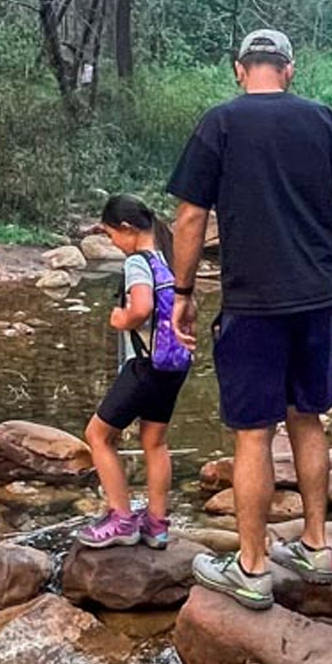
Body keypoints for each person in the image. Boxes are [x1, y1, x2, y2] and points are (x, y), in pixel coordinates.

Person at [169, 27, 332, 609]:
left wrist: (181, 292)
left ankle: (253, 566)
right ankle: (315, 546)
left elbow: (189, 218)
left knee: (254, 433)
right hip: (314, 297)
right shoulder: (322, 119)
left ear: (240, 69)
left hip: (253, 300)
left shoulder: (221, 123)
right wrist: (323, 232)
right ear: (289, 69)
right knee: (307, 418)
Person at [76, 195, 190, 550]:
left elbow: (141, 307)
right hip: (173, 364)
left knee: (97, 436)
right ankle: (156, 524)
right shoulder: (170, 259)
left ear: (126, 230)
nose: (113, 244)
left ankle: (121, 518)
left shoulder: (138, 263)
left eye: (112, 236)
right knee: (155, 441)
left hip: (143, 365)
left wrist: (119, 319)